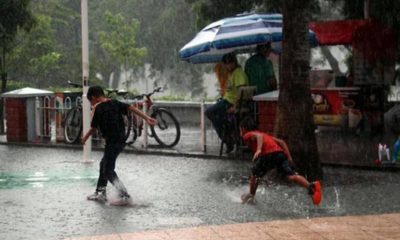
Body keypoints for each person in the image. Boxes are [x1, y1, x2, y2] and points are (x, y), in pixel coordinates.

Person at [81, 85, 157, 204]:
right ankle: (101, 192)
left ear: (94, 97)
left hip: (112, 142)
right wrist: (146, 118)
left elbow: (93, 127)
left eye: (90, 101)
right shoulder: (115, 102)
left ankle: (124, 194)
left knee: (108, 170)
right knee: (104, 164)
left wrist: (85, 137)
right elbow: (131, 108)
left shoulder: (97, 107)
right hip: (120, 140)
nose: (91, 104)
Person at [239, 117, 322, 205]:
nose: (240, 132)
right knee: (291, 176)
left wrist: (259, 149)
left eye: (240, 129)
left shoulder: (247, 135)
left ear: (243, 129)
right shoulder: (265, 134)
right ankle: (311, 187)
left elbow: (259, 137)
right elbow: (282, 142)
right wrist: (289, 158)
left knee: (254, 175)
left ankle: (251, 196)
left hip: (268, 154)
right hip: (280, 154)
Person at [205, 53, 248, 153]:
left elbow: (241, 91)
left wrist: (235, 106)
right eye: (225, 65)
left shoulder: (238, 73)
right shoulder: (233, 73)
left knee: (209, 112)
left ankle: (227, 139)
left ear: (233, 63)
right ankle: (229, 135)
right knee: (218, 116)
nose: (227, 67)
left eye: (228, 64)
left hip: (230, 102)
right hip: (227, 100)